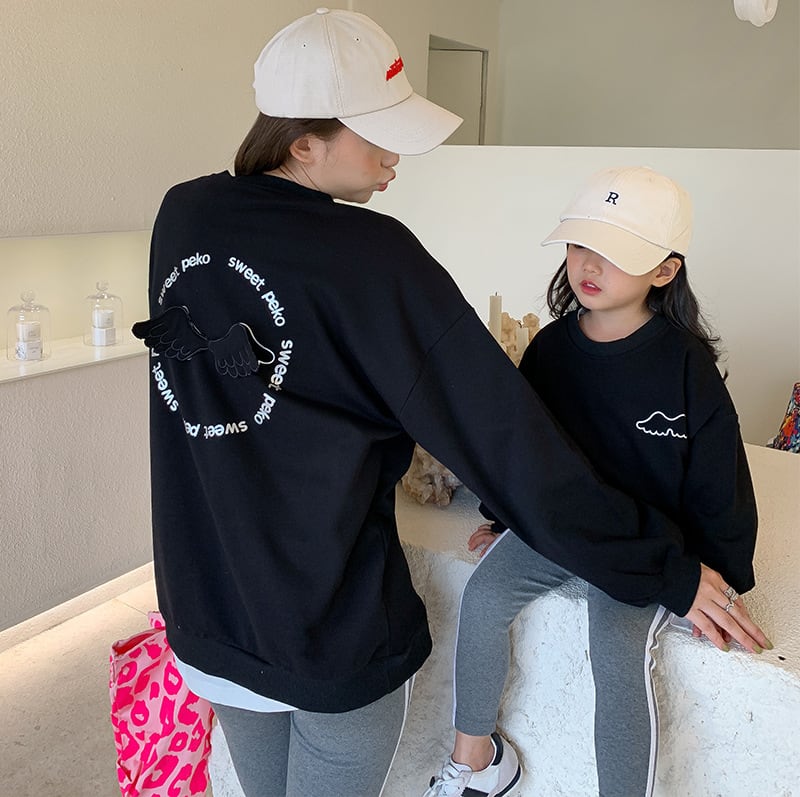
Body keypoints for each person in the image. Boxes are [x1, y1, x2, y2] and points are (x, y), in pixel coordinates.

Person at [131, 8, 767, 795]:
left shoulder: (183, 215)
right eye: (378, 133)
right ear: (302, 143)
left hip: (206, 609)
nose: (396, 154)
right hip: (325, 628)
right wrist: (665, 567)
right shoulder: (373, 257)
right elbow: (510, 444)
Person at [423, 166, 773, 797]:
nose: (588, 263)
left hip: (648, 545)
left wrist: (716, 576)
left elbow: (720, 482)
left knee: (615, 656)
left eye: (615, 252)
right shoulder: (550, 350)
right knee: (482, 599)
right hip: (564, 530)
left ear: (664, 271)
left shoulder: (686, 365)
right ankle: (475, 762)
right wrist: (507, 519)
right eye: (581, 242)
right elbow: (525, 451)